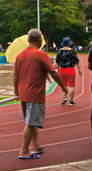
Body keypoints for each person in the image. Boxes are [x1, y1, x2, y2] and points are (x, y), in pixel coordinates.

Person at [14, 29, 68, 159]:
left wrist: (16, 90)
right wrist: (63, 87)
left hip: (24, 93)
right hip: (34, 94)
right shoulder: (40, 55)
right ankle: (24, 150)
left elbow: (16, 75)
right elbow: (53, 72)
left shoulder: (20, 56)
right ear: (39, 40)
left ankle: (36, 146)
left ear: (28, 40)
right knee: (31, 123)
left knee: (32, 121)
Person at [55, 37, 82, 106]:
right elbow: (76, 61)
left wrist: (58, 70)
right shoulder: (72, 51)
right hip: (70, 69)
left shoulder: (59, 51)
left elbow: (57, 62)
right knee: (71, 85)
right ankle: (71, 100)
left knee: (64, 85)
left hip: (62, 70)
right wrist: (79, 70)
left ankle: (64, 97)